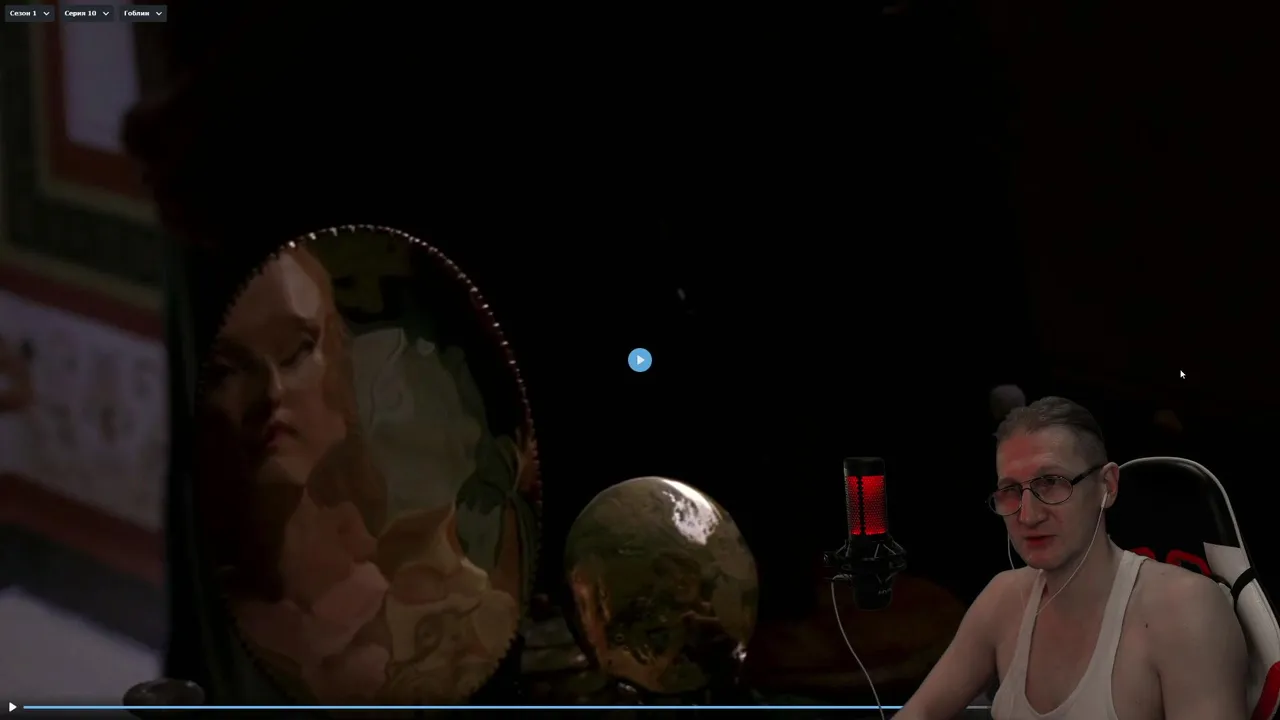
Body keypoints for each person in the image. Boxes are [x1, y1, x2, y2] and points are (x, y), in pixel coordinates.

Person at [897, 396, 1247, 720]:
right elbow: (918, 712)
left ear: (1107, 486)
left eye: (1051, 482)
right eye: (1011, 490)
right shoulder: (1003, 598)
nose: (1028, 516)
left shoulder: (1184, 609)